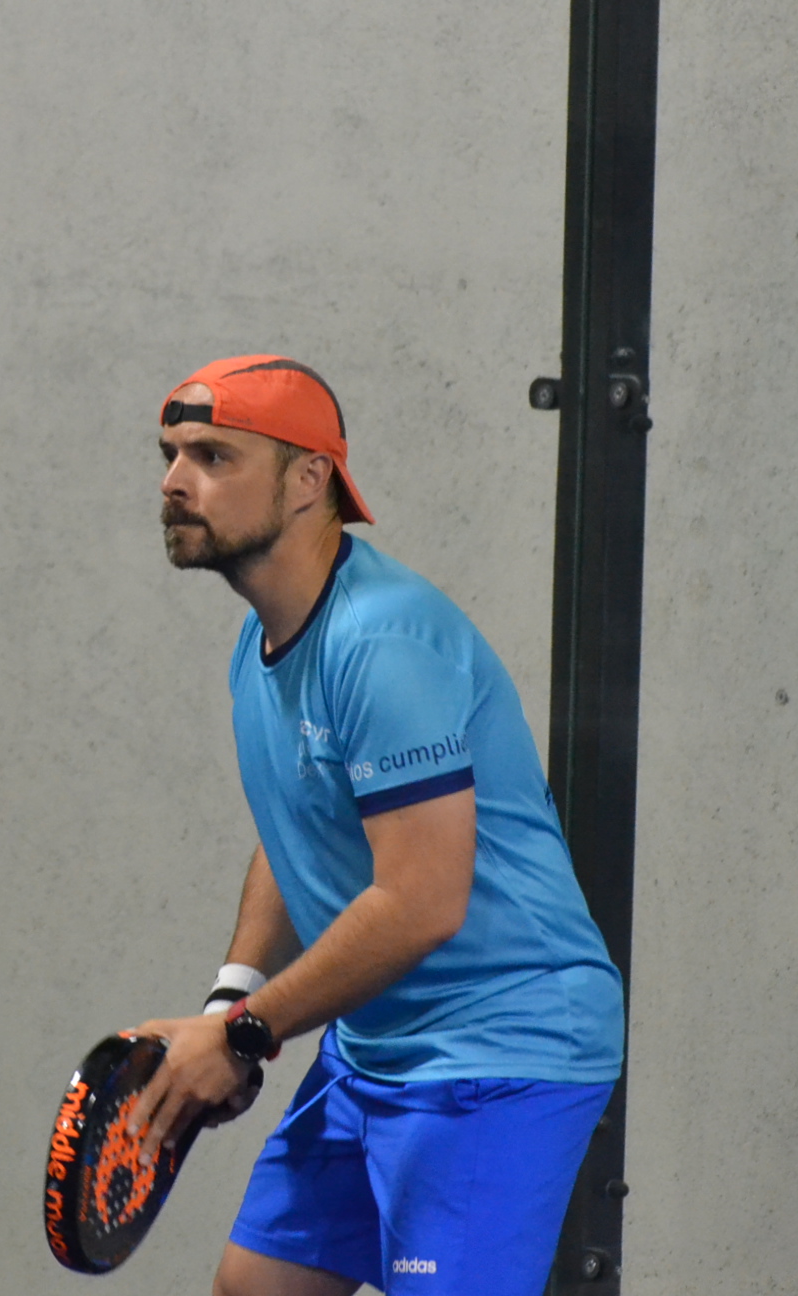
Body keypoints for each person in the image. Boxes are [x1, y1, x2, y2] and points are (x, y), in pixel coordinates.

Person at [130, 354, 624, 1296]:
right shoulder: (263, 641)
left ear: (308, 478)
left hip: (498, 1049)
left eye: (213, 456)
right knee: (257, 1288)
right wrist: (231, 1000)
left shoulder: (383, 642)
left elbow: (421, 902)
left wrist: (242, 1041)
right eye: (171, 456)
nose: (174, 482)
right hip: (376, 1049)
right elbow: (303, 830)